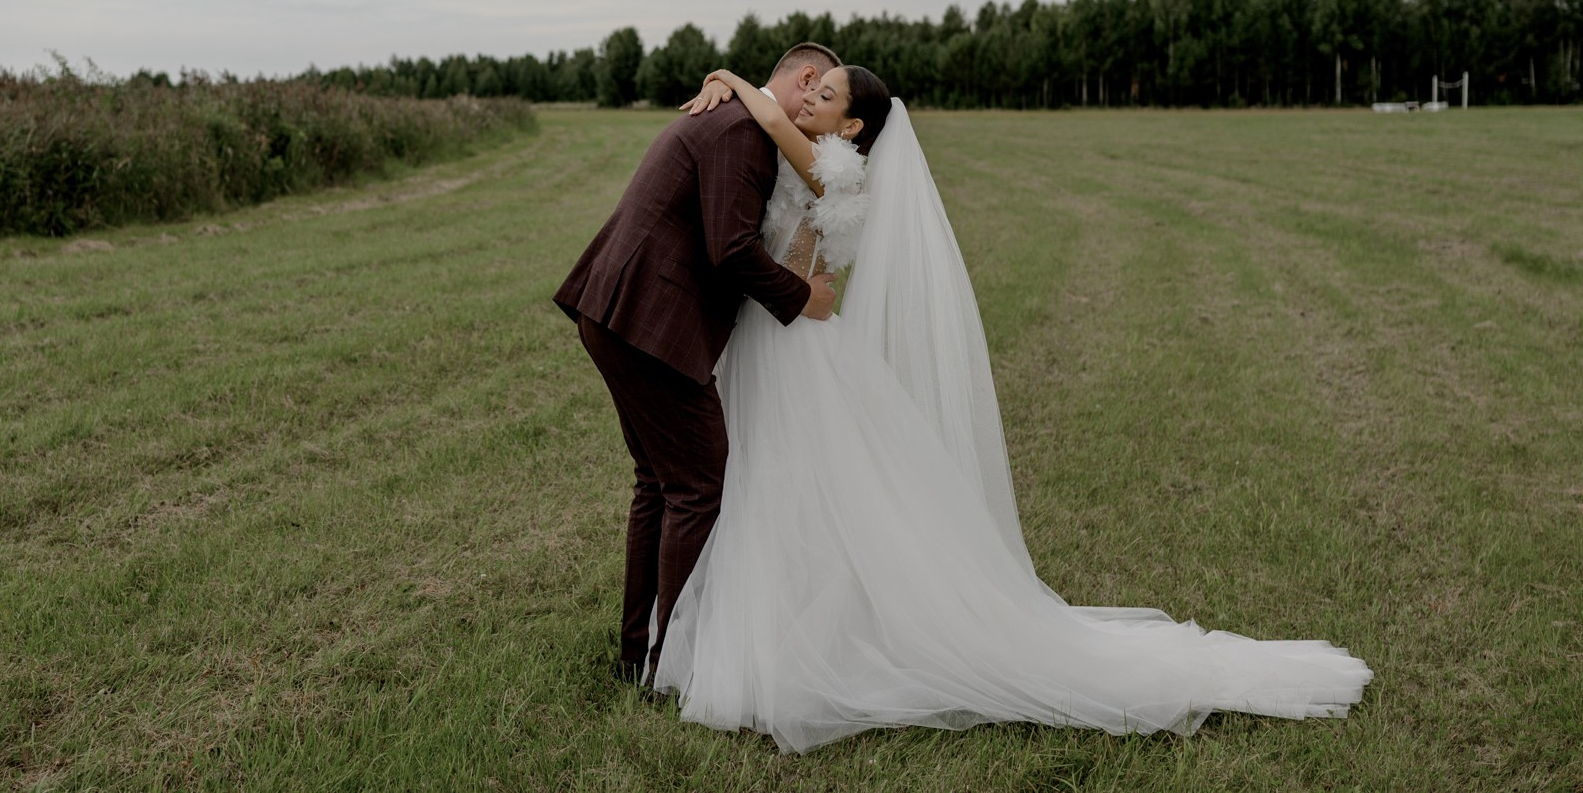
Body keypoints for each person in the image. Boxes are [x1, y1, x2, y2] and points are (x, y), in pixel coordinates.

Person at [653, 66, 1373, 753]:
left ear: (856, 122)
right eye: (815, 86)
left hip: (792, 349)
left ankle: (776, 641)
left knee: (783, 478)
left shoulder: (832, 167)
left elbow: (771, 113)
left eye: (828, 92)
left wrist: (727, 76)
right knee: (779, 482)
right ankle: (773, 623)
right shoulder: (823, 161)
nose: (811, 97)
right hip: (787, 334)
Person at [554, 44, 843, 686]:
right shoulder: (743, 127)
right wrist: (804, 299)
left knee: (660, 483)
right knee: (698, 485)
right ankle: (669, 663)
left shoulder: (738, 114)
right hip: (649, 323)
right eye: (821, 95)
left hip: (618, 310)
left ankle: (639, 657)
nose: (819, 109)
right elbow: (730, 248)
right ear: (807, 78)